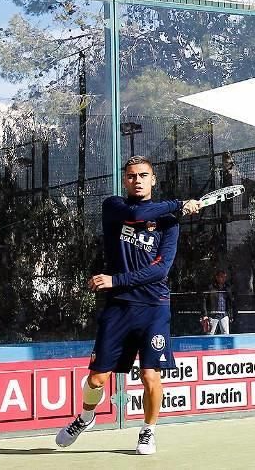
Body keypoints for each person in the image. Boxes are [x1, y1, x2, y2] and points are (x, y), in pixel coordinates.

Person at [56, 156, 201, 454]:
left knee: (150, 375)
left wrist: (115, 280)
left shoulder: (169, 223)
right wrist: (179, 203)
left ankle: (148, 431)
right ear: (125, 181)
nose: (137, 180)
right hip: (119, 308)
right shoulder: (114, 207)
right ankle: (85, 418)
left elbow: (160, 271)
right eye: (132, 176)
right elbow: (138, 215)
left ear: (153, 180)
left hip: (154, 308)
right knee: (96, 379)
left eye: (144, 175)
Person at [202, 269, 234, 335]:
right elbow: (204, 300)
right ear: (217, 277)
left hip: (224, 314)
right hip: (213, 314)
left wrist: (230, 315)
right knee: (210, 334)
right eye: (221, 277)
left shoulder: (227, 287)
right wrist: (205, 314)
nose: (223, 279)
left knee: (226, 334)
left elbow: (230, 301)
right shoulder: (211, 287)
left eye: (224, 277)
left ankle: (225, 345)